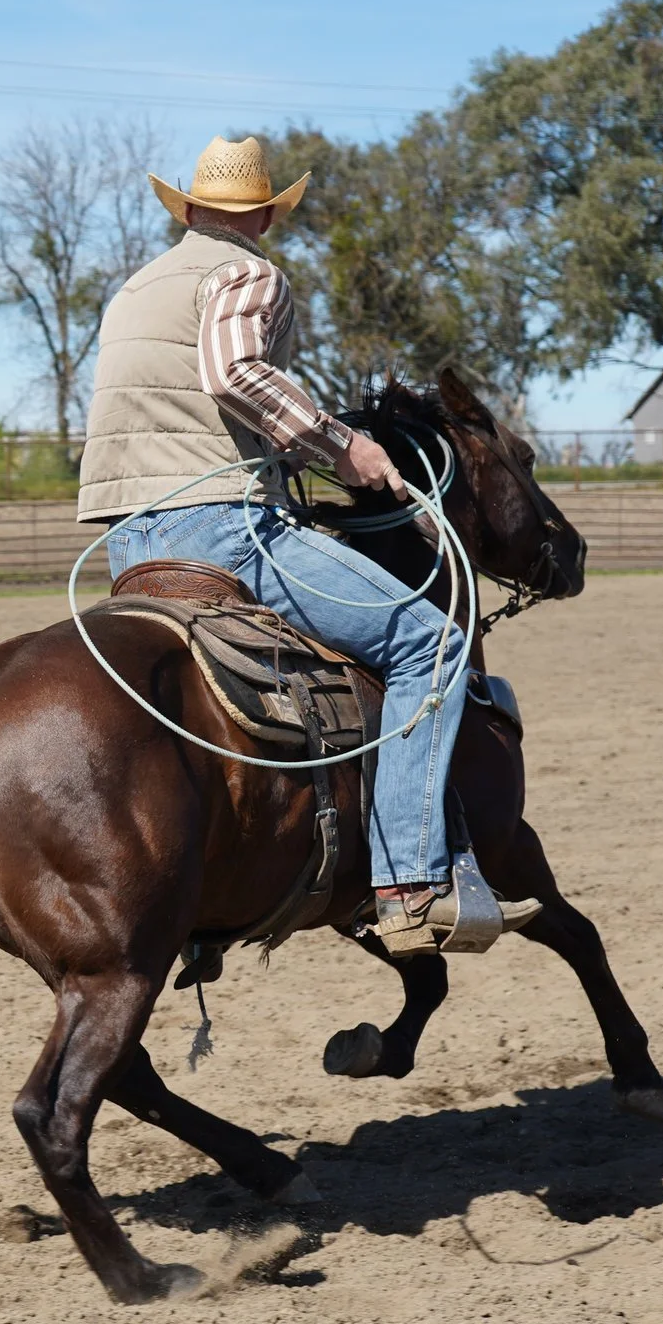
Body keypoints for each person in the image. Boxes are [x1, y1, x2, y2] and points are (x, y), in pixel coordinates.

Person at [80, 135, 540, 958]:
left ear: (188, 208)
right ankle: (411, 883)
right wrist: (342, 449)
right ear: (262, 212)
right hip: (221, 529)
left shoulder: (135, 289)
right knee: (428, 642)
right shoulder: (247, 271)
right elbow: (234, 374)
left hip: (126, 545)